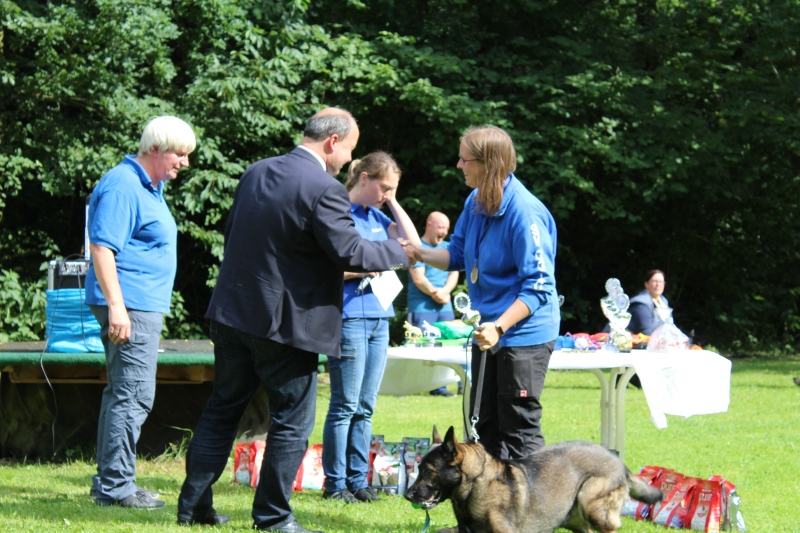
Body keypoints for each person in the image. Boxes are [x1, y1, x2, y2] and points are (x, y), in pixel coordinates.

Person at [176, 108, 412, 533]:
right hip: (284, 325)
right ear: (332, 142)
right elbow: (351, 252)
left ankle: (193, 508)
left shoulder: (256, 172)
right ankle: (273, 517)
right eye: (350, 149)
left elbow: (236, 235)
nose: (349, 159)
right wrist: (402, 253)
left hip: (232, 313)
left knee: (222, 409)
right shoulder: (325, 188)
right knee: (292, 420)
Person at [410, 125, 560, 463]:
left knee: (518, 426)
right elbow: (457, 254)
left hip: (522, 333)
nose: (458, 165)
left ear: (488, 163)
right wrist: (419, 253)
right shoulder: (475, 201)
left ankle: (531, 497)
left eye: (464, 160)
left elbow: (539, 285)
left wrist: (499, 327)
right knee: (484, 426)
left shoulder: (525, 213)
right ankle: (489, 499)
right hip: (487, 331)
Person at [85, 116, 197, 508]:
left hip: (138, 303)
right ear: (155, 148)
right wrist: (117, 307)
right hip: (130, 304)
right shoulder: (124, 185)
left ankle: (110, 482)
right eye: (179, 154)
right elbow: (102, 247)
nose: (184, 162)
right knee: (133, 394)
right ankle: (117, 487)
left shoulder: (149, 185)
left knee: (123, 392)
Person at [322, 151, 421, 504]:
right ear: (364, 178)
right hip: (349, 318)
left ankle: (357, 480)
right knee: (345, 404)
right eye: (384, 187)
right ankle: (335, 484)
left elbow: (414, 246)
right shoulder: (338, 213)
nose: (387, 194)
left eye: (393, 189)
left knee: (366, 405)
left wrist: (392, 202)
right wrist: (364, 269)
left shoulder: (377, 216)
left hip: (379, 319)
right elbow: (323, 271)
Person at [407, 211, 461, 397]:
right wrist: (435, 293)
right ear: (429, 225)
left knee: (450, 347)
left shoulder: (447, 247)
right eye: (441, 227)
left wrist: (445, 292)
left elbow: (454, 272)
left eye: (446, 228)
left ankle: (444, 387)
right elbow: (418, 278)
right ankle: (411, 386)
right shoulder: (417, 247)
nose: (444, 232)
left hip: (445, 306)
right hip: (422, 308)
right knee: (421, 348)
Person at [628, 269, 670, 336]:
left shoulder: (664, 302)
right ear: (646, 284)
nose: (658, 284)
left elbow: (669, 327)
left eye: (661, 281)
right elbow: (646, 333)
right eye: (655, 281)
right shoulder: (641, 304)